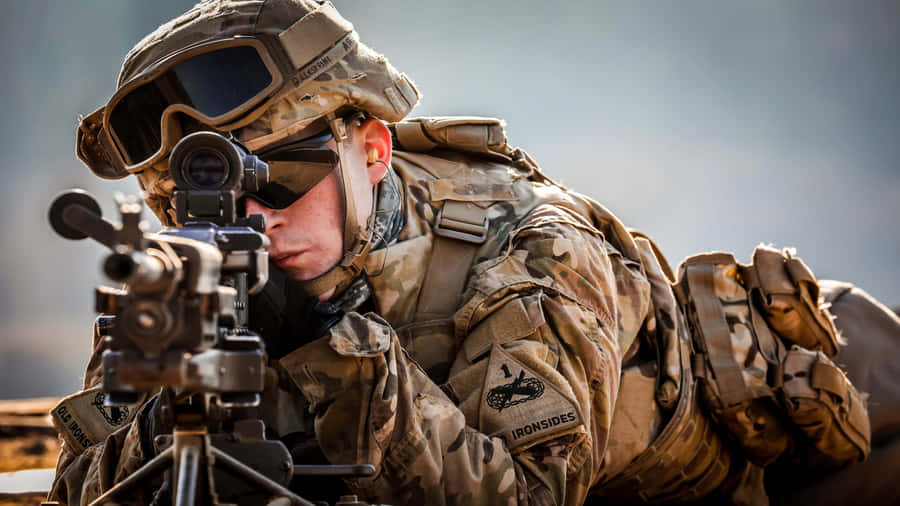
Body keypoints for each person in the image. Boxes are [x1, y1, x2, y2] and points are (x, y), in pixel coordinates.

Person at [48, 1, 900, 505]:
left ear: (371, 150)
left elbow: (528, 496)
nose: (249, 222)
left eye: (279, 179)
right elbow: (80, 485)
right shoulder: (187, 272)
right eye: (197, 200)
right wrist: (168, 423)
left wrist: (325, 346)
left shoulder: (527, 250)